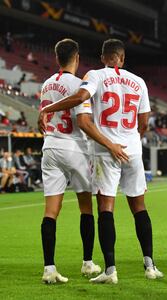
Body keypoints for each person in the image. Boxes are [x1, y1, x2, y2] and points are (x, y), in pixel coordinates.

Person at [39, 38, 163, 283]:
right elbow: (145, 121)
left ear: (102, 57)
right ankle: (150, 266)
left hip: (101, 150)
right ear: (122, 57)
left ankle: (110, 270)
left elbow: (82, 102)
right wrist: (132, 140)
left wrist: (47, 109)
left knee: (105, 208)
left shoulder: (92, 76)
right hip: (131, 150)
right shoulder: (139, 81)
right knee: (139, 206)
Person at [38, 38, 101, 284]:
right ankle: (87, 263)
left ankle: (49, 268)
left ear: (56, 58)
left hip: (50, 146)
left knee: (51, 211)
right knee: (86, 207)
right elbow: (84, 122)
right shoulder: (79, 84)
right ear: (76, 58)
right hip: (75, 148)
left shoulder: (46, 84)